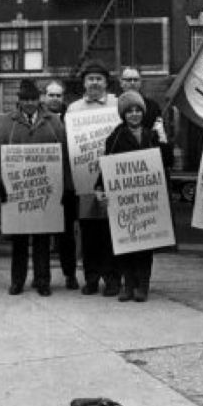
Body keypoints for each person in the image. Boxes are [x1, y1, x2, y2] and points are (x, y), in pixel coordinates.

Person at [0, 78, 70, 297]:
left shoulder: (53, 122)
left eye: (33, 99)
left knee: (43, 239)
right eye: (25, 99)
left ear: (39, 99)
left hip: (45, 191)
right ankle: (17, 281)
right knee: (19, 240)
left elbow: (63, 155)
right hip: (17, 192)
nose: (29, 103)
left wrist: (64, 186)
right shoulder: (8, 122)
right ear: (19, 101)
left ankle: (42, 280)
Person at [99, 90, 173, 302]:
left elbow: (166, 161)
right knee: (125, 246)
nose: (134, 114)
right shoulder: (115, 137)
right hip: (125, 202)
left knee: (145, 247)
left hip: (147, 202)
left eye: (137, 110)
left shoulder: (152, 135)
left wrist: (164, 139)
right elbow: (107, 165)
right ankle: (128, 285)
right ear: (123, 114)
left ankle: (143, 285)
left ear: (143, 112)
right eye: (129, 111)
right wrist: (100, 188)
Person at [66, 61, 120, 296]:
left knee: (111, 233)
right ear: (84, 83)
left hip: (112, 179)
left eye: (99, 78)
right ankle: (91, 278)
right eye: (91, 79)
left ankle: (111, 279)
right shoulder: (74, 109)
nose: (95, 82)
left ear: (106, 82)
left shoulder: (117, 105)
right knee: (89, 233)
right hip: (85, 180)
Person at [42, 79, 78, 290]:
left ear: (63, 98)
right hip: (44, 183)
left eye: (58, 95)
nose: (55, 98)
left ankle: (70, 274)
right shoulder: (38, 118)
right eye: (51, 95)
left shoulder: (72, 119)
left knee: (66, 236)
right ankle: (43, 277)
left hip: (67, 185)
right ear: (44, 97)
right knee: (43, 234)